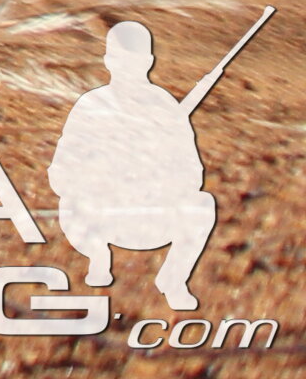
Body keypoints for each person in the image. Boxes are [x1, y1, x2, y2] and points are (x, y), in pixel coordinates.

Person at [50, 18, 217, 310]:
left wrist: (157, 174)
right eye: (120, 60)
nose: (127, 68)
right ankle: (98, 258)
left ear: (148, 61)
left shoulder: (166, 108)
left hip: (150, 216)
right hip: (99, 218)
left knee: (202, 205)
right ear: (108, 61)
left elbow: (193, 172)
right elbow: (60, 171)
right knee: (70, 203)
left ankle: (174, 279)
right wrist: (101, 175)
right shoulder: (91, 106)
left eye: (134, 61)